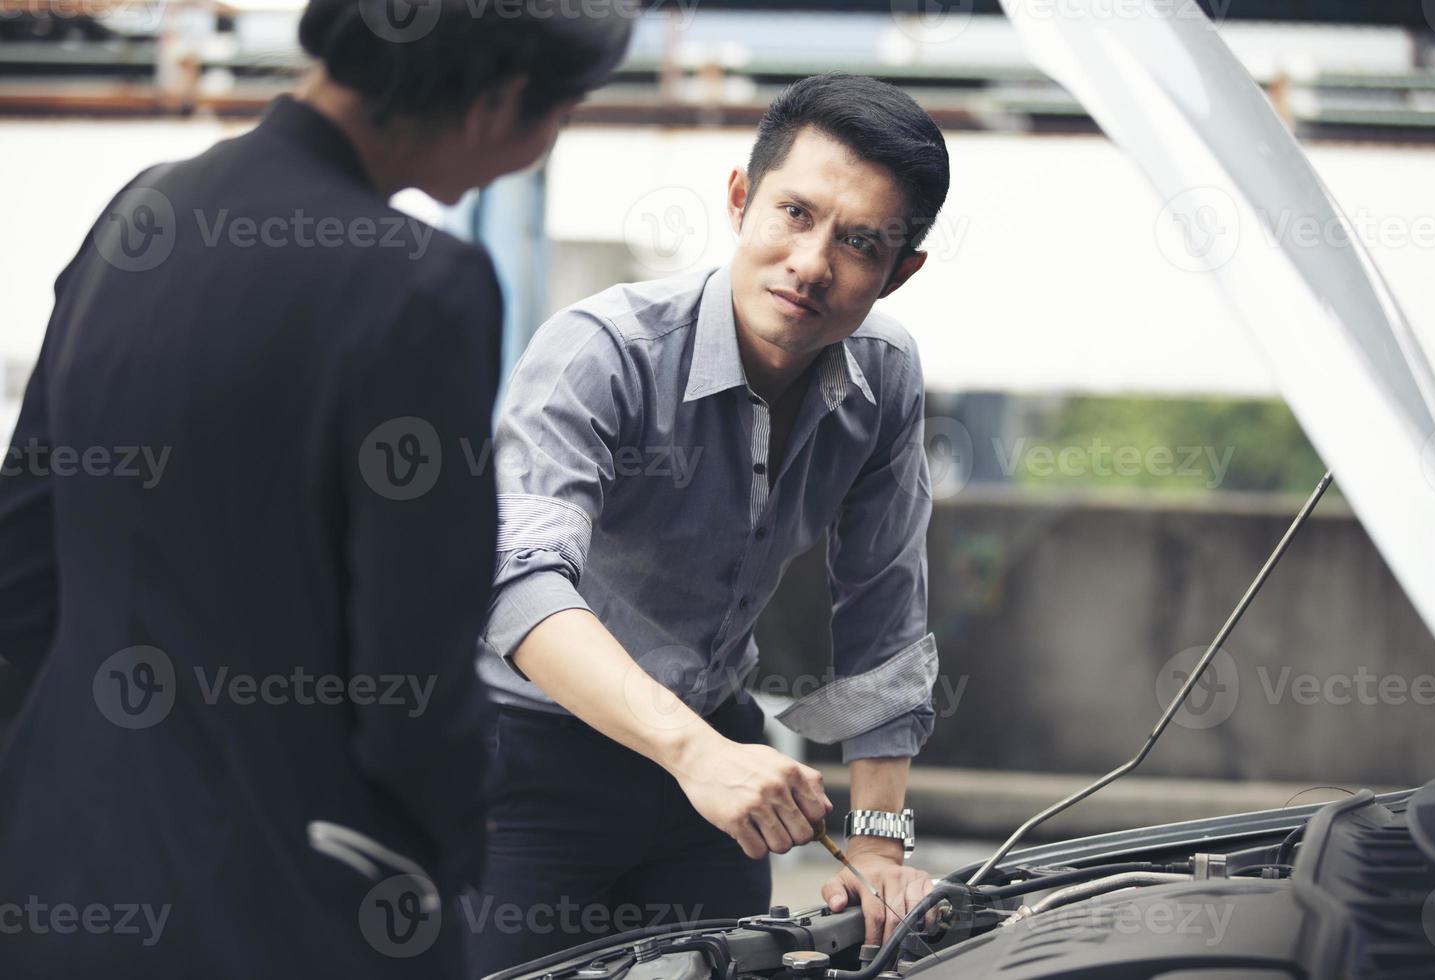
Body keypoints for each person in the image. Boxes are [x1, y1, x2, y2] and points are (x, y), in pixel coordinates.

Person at [0, 2, 630, 976]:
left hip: (61, 874)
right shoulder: (423, 287)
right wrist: (449, 860)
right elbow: (412, 672)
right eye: (562, 115)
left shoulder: (141, 210)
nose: (545, 145)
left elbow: (23, 561)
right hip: (294, 903)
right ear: (499, 100)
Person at [469, 72, 950, 974]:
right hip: (526, 758)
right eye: (795, 215)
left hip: (714, 760)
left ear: (900, 271)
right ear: (740, 199)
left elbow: (884, 615)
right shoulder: (600, 352)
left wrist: (881, 843)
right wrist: (694, 752)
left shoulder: (885, 378)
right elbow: (516, 582)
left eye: (859, 243)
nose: (813, 263)